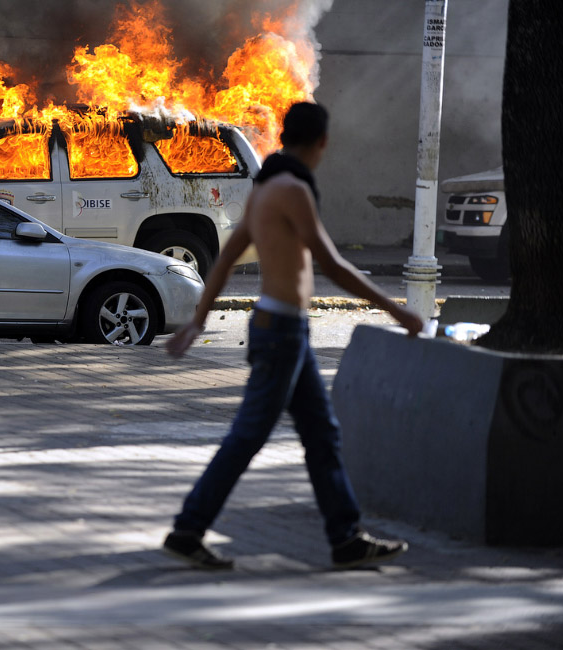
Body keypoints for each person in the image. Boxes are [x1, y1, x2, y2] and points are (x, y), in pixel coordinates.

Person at [162, 102, 424, 571]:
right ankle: (188, 528)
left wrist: (199, 322)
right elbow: (332, 264)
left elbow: (224, 260)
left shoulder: (265, 188)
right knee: (248, 436)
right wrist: (396, 310)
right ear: (321, 142)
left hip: (282, 329)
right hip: (282, 330)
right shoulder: (293, 189)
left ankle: (345, 538)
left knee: (322, 435)